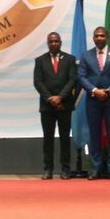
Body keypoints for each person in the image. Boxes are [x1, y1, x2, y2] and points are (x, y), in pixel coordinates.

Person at [77, 26, 110, 180]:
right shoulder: (86, 56)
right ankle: (96, 168)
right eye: (96, 36)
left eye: (102, 36)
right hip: (93, 100)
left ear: (107, 37)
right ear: (93, 38)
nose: (99, 38)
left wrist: (109, 91)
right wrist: (94, 90)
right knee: (94, 134)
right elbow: (82, 77)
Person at [33, 32, 77, 179]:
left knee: (65, 138)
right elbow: (38, 82)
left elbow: (72, 80)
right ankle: (48, 169)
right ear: (47, 43)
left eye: (56, 41)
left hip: (65, 105)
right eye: (51, 42)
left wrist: (60, 97)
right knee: (48, 138)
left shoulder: (70, 59)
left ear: (60, 43)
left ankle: (65, 169)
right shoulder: (40, 60)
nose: (54, 44)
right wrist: (50, 98)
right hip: (47, 106)